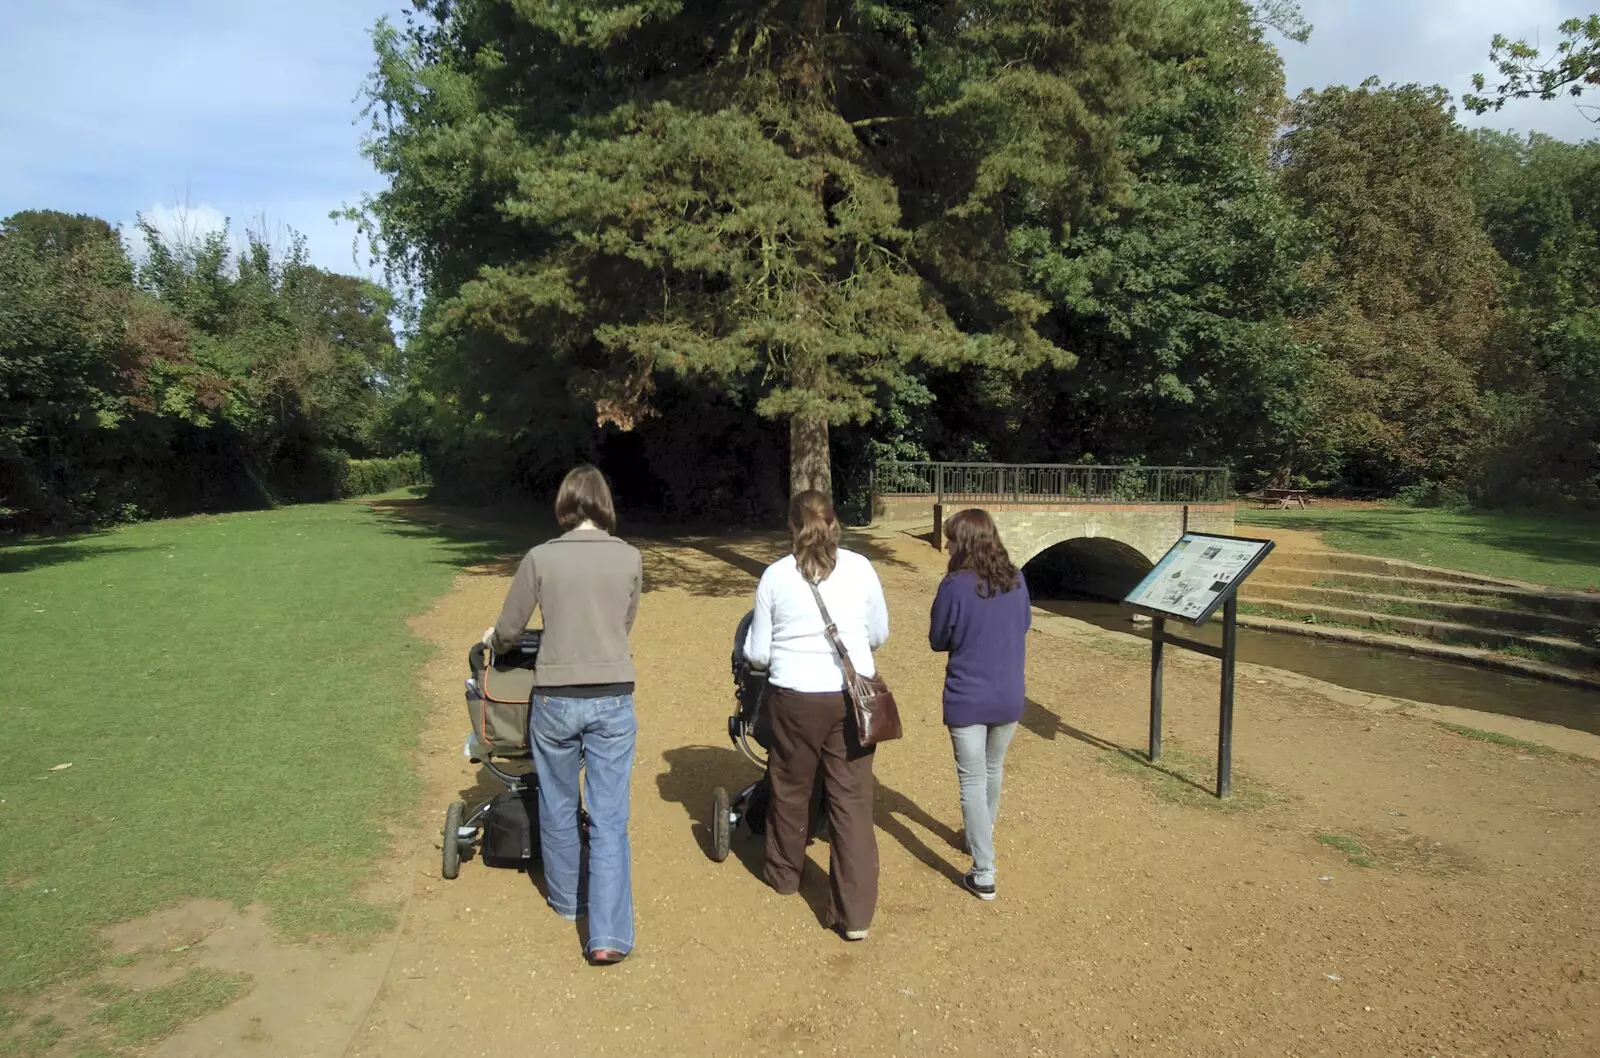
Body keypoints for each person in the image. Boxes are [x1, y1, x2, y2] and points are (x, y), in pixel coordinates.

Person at [483, 465, 643, 965]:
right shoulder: (630, 557)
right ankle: (609, 935)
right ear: (604, 504)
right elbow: (625, 622)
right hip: (613, 693)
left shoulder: (541, 558)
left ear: (566, 504)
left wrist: (497, 641)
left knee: (556, 802)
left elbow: (509, 629)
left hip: (555, 695)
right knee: (610, 815)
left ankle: (567, 899)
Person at [743, 490, 889, 941]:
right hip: (849, 696)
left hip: (796, 696)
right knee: (852, 801)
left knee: (790, 785)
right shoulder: (861, 569)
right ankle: (856, 914)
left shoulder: (775, 576)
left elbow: (758, 652)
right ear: (834, 523)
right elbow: (879, 632)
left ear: (792, 526)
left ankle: (785, 874)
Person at [928, 508, 1030, 901]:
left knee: (971, 780)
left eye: (951, 539)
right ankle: (978, 838)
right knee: (992, 769)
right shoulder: (1017, 580)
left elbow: (938, 638)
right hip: (1008, 695)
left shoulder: (953, 586)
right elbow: (1022, 625)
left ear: (965, 543)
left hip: (967, 696)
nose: (947, 546)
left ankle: (984, 870)